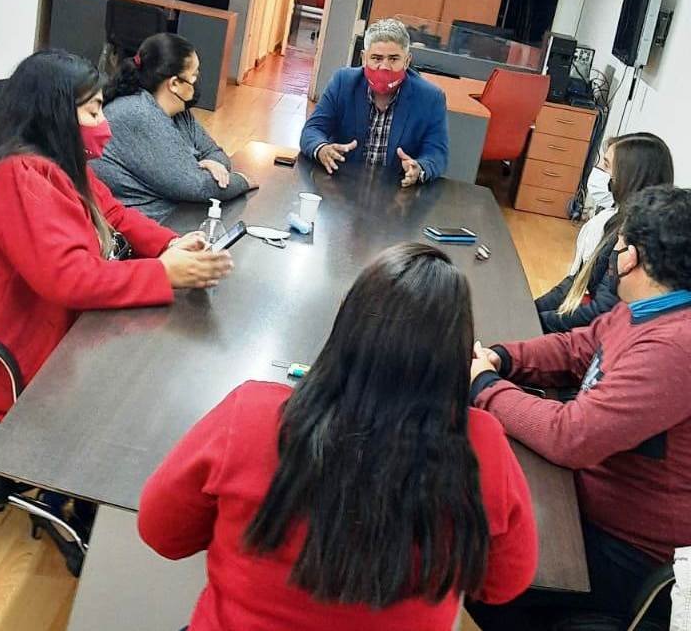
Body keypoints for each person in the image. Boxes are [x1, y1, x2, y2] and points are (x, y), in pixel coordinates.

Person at [138, 243, 538, 631]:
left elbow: (163, 533)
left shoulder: (251, 415)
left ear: (345, 320)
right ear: (459, 354)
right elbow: (503, 585)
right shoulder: (482, 449)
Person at [469, 185, 691, 629]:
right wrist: (503, 357)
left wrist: (485, 386)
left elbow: (571, 436)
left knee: (468, 554)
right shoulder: (645, 309)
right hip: (581, 501)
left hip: (617, 550)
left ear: (631, 258)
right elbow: (577, 348)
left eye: (619, 247)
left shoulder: (674, 348)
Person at [0, 50, 233, 422]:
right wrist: (163, 273)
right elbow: (68, 277)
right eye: (93, 112)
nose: (104, 124)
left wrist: (170, 244)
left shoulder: (61, 164)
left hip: (56, 337)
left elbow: (114, 214)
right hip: (10, 366)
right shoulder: (17, 175)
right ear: (56, 115)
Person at [93, 33, 253, 222]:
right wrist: (242, 180)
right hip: (148, 226)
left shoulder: (179, 112)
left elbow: (215, 153)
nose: (197, 82)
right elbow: (199, 187)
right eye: (194, 76)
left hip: (181, 213)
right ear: (175, 84)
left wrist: (213, 164)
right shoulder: (137, 114)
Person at [535, 132, 673, 333]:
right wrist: (531, 308)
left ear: (629, 176)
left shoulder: (636, 237)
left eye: (606, 165)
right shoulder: (616, 220)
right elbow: (579, 279)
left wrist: (536, 321)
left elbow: (601, 311)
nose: (599, 170)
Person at [299, 18, 449, 186]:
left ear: (407, 61)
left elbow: (437, 153)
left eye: (393, 59)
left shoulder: (431, 98)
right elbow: (312, 130)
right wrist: (322, 149)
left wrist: (419, 168)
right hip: (341, 184)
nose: (384, 67)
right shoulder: (343, 83)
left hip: (396, 189)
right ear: (364, 58)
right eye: (377, 58)